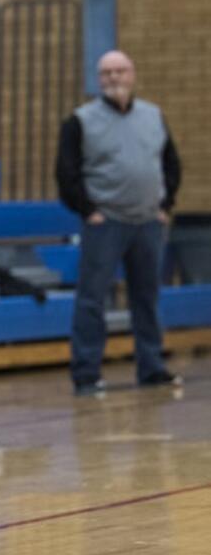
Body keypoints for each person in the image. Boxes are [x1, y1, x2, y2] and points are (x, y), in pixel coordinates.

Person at [56, 50, 182, 396]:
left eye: (120, 71)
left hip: (148, 221)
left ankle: (152, 367)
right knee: (92, 298)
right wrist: (88, 210)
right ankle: (86, 374)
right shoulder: (80, 120)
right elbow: (66, 172)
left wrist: (165, 205)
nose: (114, 78)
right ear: (99, 79)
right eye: (107, 72)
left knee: (147, 296)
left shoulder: (153, 115)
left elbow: (171, 163)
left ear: (132, 74)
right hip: (105, 222)